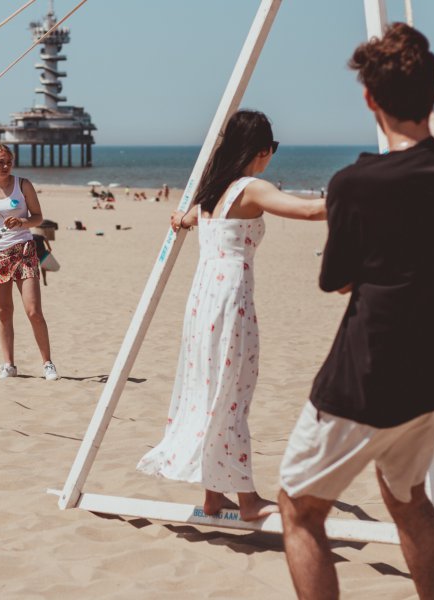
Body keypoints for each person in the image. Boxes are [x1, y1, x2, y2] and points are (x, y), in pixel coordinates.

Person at [277, 24, 434, 600]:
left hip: (364, 384)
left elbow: (337, 281)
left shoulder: (352, 184)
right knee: (407, 497)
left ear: (369, 100)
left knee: (298, 510)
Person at [137, 110, 326, 521]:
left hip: (203, 297)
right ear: (260, 149)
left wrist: (181, 218)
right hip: (229, 298)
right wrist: (371, 195)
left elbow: (184, 219)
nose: (271, 156)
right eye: (272, 149)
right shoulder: (249, 188)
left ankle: (214, 496)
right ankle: (247, 500)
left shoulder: (211, 192)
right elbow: (309, 212)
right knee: (232, 394)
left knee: (212, 392)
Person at [0, 144, 58, 381]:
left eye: (9, 161)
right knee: (4, 311)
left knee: (33, 311)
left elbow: (38, 216)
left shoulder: (23, 185)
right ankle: (8, 364)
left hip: (25, 250)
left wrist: (22, 223)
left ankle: (48, 363)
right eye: (1, 162)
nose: (6, 166)